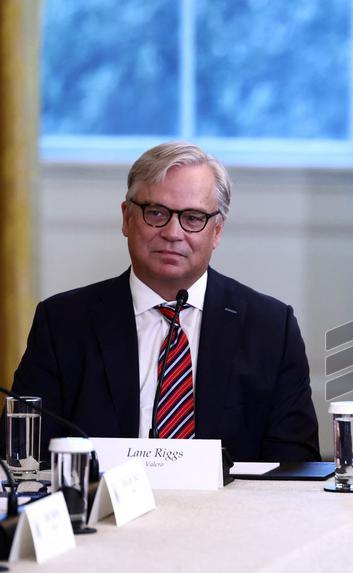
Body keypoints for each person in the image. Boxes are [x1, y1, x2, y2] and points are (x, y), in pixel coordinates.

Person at [12, 141, 319, 462]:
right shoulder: (63, 323)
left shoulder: (271, 328)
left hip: (229, 510)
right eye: (156, 213)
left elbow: (295, 465)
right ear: (127, 218)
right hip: (102, 508)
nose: (173, 232)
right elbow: (25, 455)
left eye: (193, 217)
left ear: (217, 231)